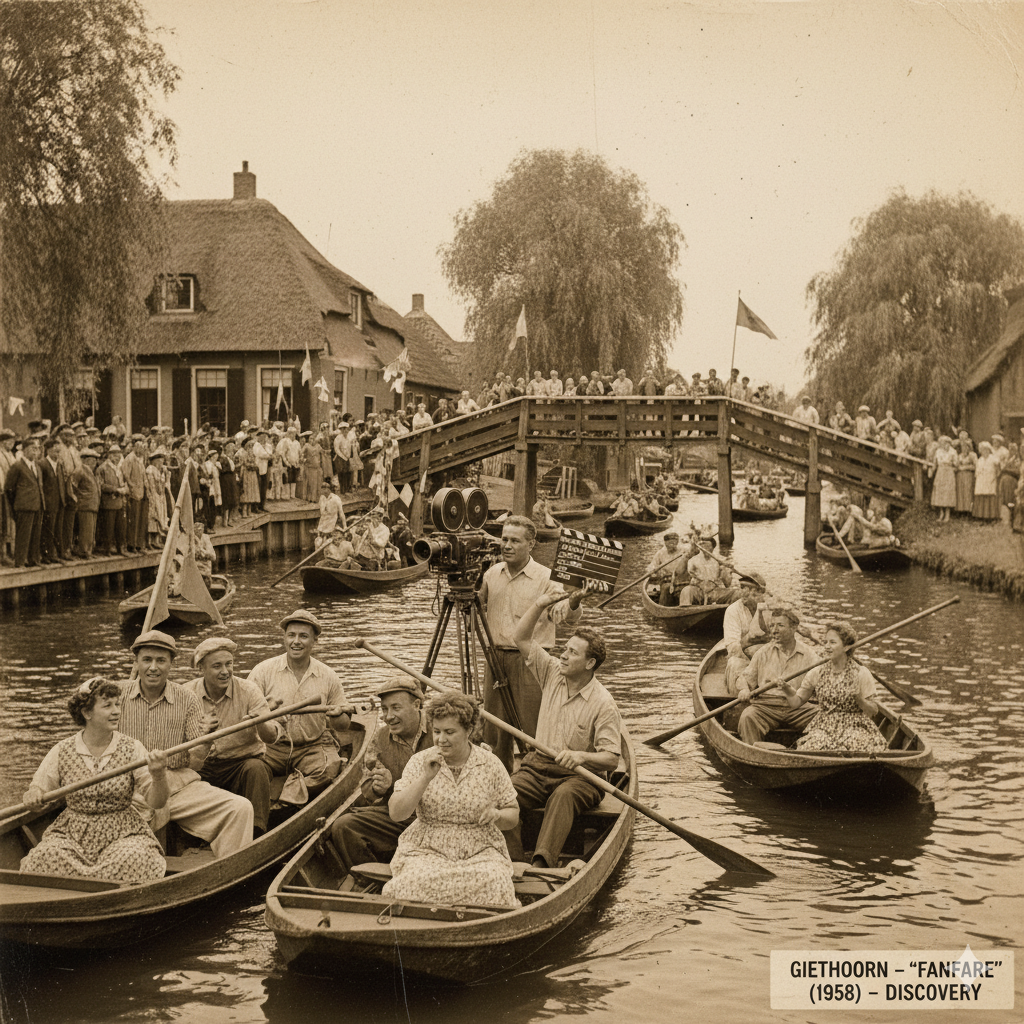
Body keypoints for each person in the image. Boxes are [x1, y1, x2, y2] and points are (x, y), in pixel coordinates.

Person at [507, 594, 621, 870]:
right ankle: (510, 861)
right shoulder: (553, 673)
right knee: (503, 794)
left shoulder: (604, 703)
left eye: (572, 652)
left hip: (581, 777)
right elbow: (520, 638)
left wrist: (581, 757)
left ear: (590, 663)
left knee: (563, 796)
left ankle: (541, 865)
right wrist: (540, 603)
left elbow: (612, 760)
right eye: (565, 649)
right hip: (537, 767)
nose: (563, 655)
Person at [119, 630, 254, 856]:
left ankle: (227, 872)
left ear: (171, 664)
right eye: (147, 660)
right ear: (137, 663)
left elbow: (196, 764)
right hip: (128, 786)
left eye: (161, 661)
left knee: (240, 808)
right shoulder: (117, 696)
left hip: (177, 785)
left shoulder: (187, 699)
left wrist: (205, 739)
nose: (153, 667)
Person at [21, 676, 169, 882]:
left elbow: (157, 802)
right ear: (86, 712)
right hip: (72, 832)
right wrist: (34, 795)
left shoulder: (132, 748)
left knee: (134, 857)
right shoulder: (62, 749)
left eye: (118, 704)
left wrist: (159, 775)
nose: (116, 711)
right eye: (107, 706)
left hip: (122, 831)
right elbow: (38, 789)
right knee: (44, 856)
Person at [381, 692, 519, 908]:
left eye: (449, 732)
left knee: (496, 882)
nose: (440, 739)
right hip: (427, 848)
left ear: (469, 731)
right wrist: (425, 778)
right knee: (410, 882)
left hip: (480, 849)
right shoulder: (420, 762)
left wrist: (497, 815)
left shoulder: (490, 764)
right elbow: (397, 814)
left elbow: (513, 814)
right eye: (436, 731)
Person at [478, 516, 585, 772]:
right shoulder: (491, 574)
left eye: (515, 540)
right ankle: (498, 778)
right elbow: (475, 611)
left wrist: (573, 603)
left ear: (531, 544)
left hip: (531, 661)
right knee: (494, 729)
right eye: (504, 539)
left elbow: (562, 616)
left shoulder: (546, 578)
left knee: (534, 725)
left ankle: (536, 778)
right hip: (495, 658)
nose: (507, 545)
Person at [328, 677, 431, 873]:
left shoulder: (441, 730)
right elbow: (366, 788)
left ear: (417, 705)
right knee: (344, 826)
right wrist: (377, 789)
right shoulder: (380, 738)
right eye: (384, 709)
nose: (388, 716)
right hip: (399, 817)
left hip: (440, 817)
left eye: (396, 708)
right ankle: (373, 880)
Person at [246, 610, 354, 792]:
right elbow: (246, 717)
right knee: (247, 771)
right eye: (291, 635)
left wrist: (337, 716)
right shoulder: (262, 671)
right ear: (284, 638)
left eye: (303, 636)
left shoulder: (328, 675)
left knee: (328, 771)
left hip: (311, 747)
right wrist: (263, 712)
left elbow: (343, 726)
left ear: (315, 641)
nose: (296, 641)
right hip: (271, 748)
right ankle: (294, 791)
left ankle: (284, 794)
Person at [184, 638, 278, 840]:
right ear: (201, 668)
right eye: (217, 666)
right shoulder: (186, 694)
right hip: (203, 766)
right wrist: (202, 736)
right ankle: (190, 837)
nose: (225, 671)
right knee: (177, 776)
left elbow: (270, 738)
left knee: (257, 769)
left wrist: (260, 722)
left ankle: (256, 835)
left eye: (229, 664)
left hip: (240, 765)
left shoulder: (249, 691)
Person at [778, 623, 887, 752]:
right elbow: (796, 703)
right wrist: (788, 690)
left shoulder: (861, 673)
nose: (827, 647)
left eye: (832, 642)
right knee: (811, 748)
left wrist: (859, 700)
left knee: (857, 747)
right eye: (826, 642)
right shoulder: (817, 672)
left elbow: (873, 711)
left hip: (855, 726)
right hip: (824, 727)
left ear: (846, 647)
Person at [736, 608, 820, 745]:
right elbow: (745, 678)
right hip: (766, 706)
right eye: (771, 626)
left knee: (823, 716)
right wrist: (744, 689)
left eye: (780, 625)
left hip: (797, 707)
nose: (774, 630)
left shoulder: (809, 655)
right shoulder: (763, 653)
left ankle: (811, 752)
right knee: (747, 716)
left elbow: (822, 682)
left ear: (794, 628)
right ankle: (754, 755)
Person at [722, 572, 770, 695]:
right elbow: (732, 650)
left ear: (760, 593)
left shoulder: (770, 609)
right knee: (734, 664)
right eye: (742, 588)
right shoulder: (733, 611)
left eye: (750, 589)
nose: (743, 592)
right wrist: (750, 638)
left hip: (768, 660)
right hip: (743, 660)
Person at [4, 436, 44, 567]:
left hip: (37, 505)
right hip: (24, 506)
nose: (35, 452)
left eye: (37, 449)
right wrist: (18, 503)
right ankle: (20, 561)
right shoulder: (17, 466)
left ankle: (34, 560)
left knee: (35, 535)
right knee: (23, 536)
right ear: (25, 450)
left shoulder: (37, 467)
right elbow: (9, 488)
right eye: (33, 449)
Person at [678, 530, 740, 606]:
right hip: (698, 590)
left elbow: (727, 583)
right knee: (686, 590)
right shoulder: (692, 560)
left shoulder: (720, 561)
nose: (705, 548)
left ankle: (728, 610)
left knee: (735, 592)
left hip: (714, 591)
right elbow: (692, 575)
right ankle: (686, 611)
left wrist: (726, 570)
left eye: (708, 546)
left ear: (713, 547)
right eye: (703, 545)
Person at [645, 530, 689, 606]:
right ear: (665, 543)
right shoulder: (660, 553)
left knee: (688, 589)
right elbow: (651, 566)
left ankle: (687, 606)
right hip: (667, 580)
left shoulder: (684, 551)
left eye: (674, 543)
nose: (672, 545)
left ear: (677, 542)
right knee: (667, 588)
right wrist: (651, 571)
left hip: (682, 580)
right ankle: (663, 607)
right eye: (669, 543)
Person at [929, 434, 957, 522]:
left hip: (948, 472)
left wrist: (950, 468)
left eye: (946, 443)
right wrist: (931, 471)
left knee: (947, 492)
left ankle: (947, 514)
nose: (944, 445)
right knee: (940, 491)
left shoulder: (953, 452)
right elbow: (935, 463)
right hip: (940, 472)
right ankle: (941, 513)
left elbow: (956, 464)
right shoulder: (938, 451)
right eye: (942, 443)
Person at [315, 481, 346, 546]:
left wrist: (345, 526)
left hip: (331, 524)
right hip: (322, 524)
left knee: (328, 543)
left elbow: (341, 513)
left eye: (324, 489)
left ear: (328, 489)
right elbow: (322, 513)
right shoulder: (322, 498)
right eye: (322, 489)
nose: (322, 491)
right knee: (318, 542)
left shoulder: (336, 498)